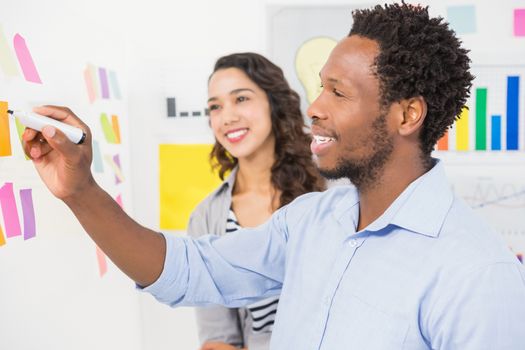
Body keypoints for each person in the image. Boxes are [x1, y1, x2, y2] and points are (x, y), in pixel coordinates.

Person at [22, 3, 525, 349]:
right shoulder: (311, 220)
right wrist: (80, 191)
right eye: (319, 88)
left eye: (338, 92)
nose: (316, 107)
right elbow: (190, 271)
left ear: (407, 115)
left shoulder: (478, 275)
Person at [188, 52, 325, 350]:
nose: (227, 117)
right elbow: (217, 339)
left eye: (241, 99)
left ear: (274, 102)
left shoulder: (331, 189)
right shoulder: (207, 218)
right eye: (215, 106)